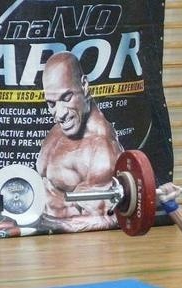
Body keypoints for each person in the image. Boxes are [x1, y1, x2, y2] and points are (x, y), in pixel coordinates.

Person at [36, 51, 124, 233]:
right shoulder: (58, 130)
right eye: (51, 104)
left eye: (66, 98)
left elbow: (110, 218)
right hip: (47, 242)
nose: (60, 114)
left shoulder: (101, 148)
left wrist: (54, 226)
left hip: (80, 249)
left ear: (84, 85)